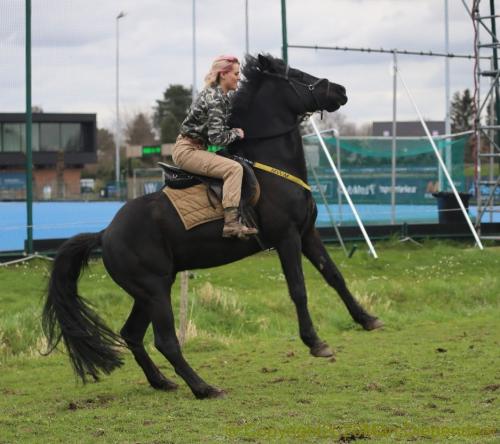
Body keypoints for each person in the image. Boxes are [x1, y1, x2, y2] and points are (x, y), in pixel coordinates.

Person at [172, 55, 258, 239]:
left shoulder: (221, 96)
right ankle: (231, 224)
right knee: (234, 169)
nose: (239, 77)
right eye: (236, 73)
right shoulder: (216, 98)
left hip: (196, 148)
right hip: (188, 151)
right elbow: (217, 137)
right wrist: (236, 133)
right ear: (223, 74)